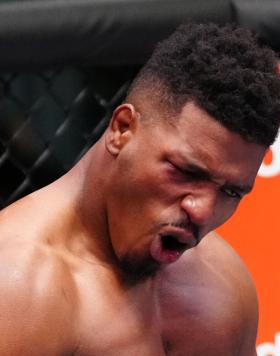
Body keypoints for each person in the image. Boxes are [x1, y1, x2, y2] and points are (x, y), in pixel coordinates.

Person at [0, 22, 279, 356]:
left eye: (231, 192)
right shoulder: (19, 288)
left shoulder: (224, 286)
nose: (203, 210)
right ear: (122, 130)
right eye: (185, 171)